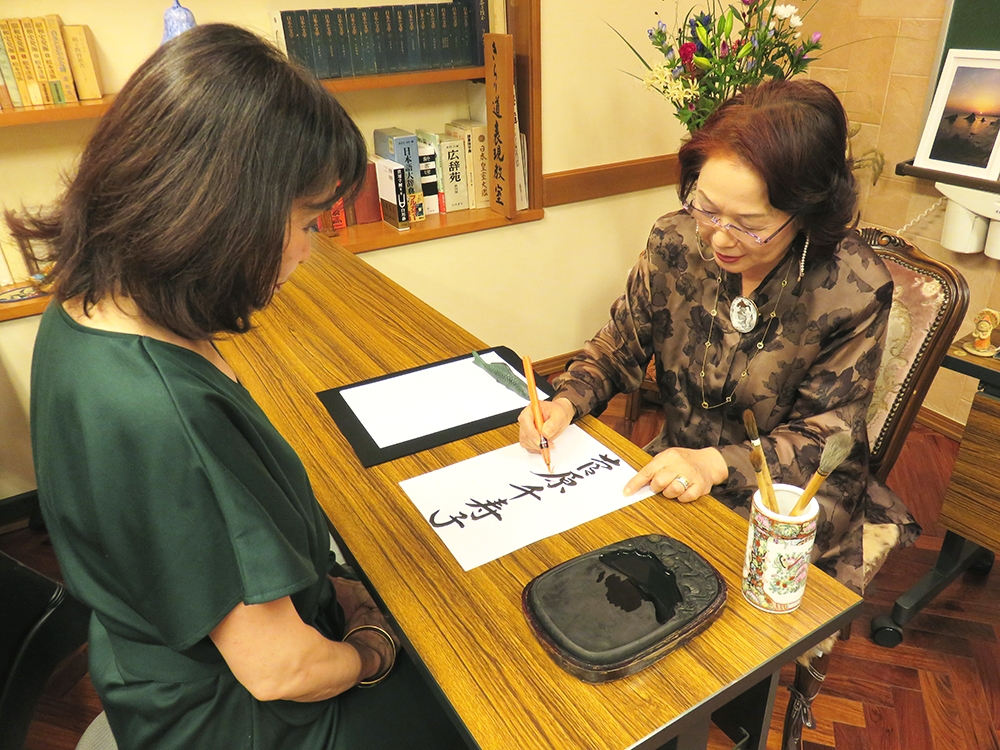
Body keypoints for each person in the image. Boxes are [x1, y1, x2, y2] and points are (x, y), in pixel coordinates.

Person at [9, 24, 464, 750]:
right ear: (224, 216)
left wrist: (323, 591)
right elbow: (281, 670)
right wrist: (372, 645)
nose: (311, 251)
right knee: (471, 695)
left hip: (145, 666)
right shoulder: (165, 414)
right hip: (238, 720)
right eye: (308, 222)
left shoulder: (86, 311)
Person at [517, 79, 919, 750]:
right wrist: (567, 399)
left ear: (809, 213)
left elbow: (829, 437)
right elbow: (621, 341)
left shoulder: (850, 287)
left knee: (682, 645)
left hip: (784, 500)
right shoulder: (678, 242)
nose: (720, 238)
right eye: (706, 208)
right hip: (682, 471)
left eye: (750, 224)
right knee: (595, 604)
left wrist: (716, 463)